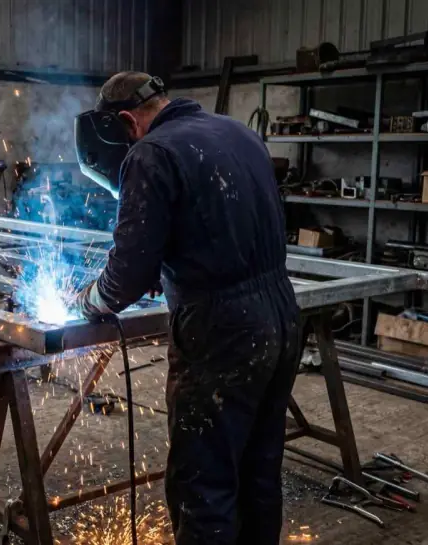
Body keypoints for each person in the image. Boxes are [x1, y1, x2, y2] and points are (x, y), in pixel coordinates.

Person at [72, 71, 301, 545]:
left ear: (125, 121)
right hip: (281, 314)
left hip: (223, 331)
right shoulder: (239, 132)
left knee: (204, 482)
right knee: (259, 468)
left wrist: (92, 300)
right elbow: (223, 220)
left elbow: (129, 270)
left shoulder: (150, 153)